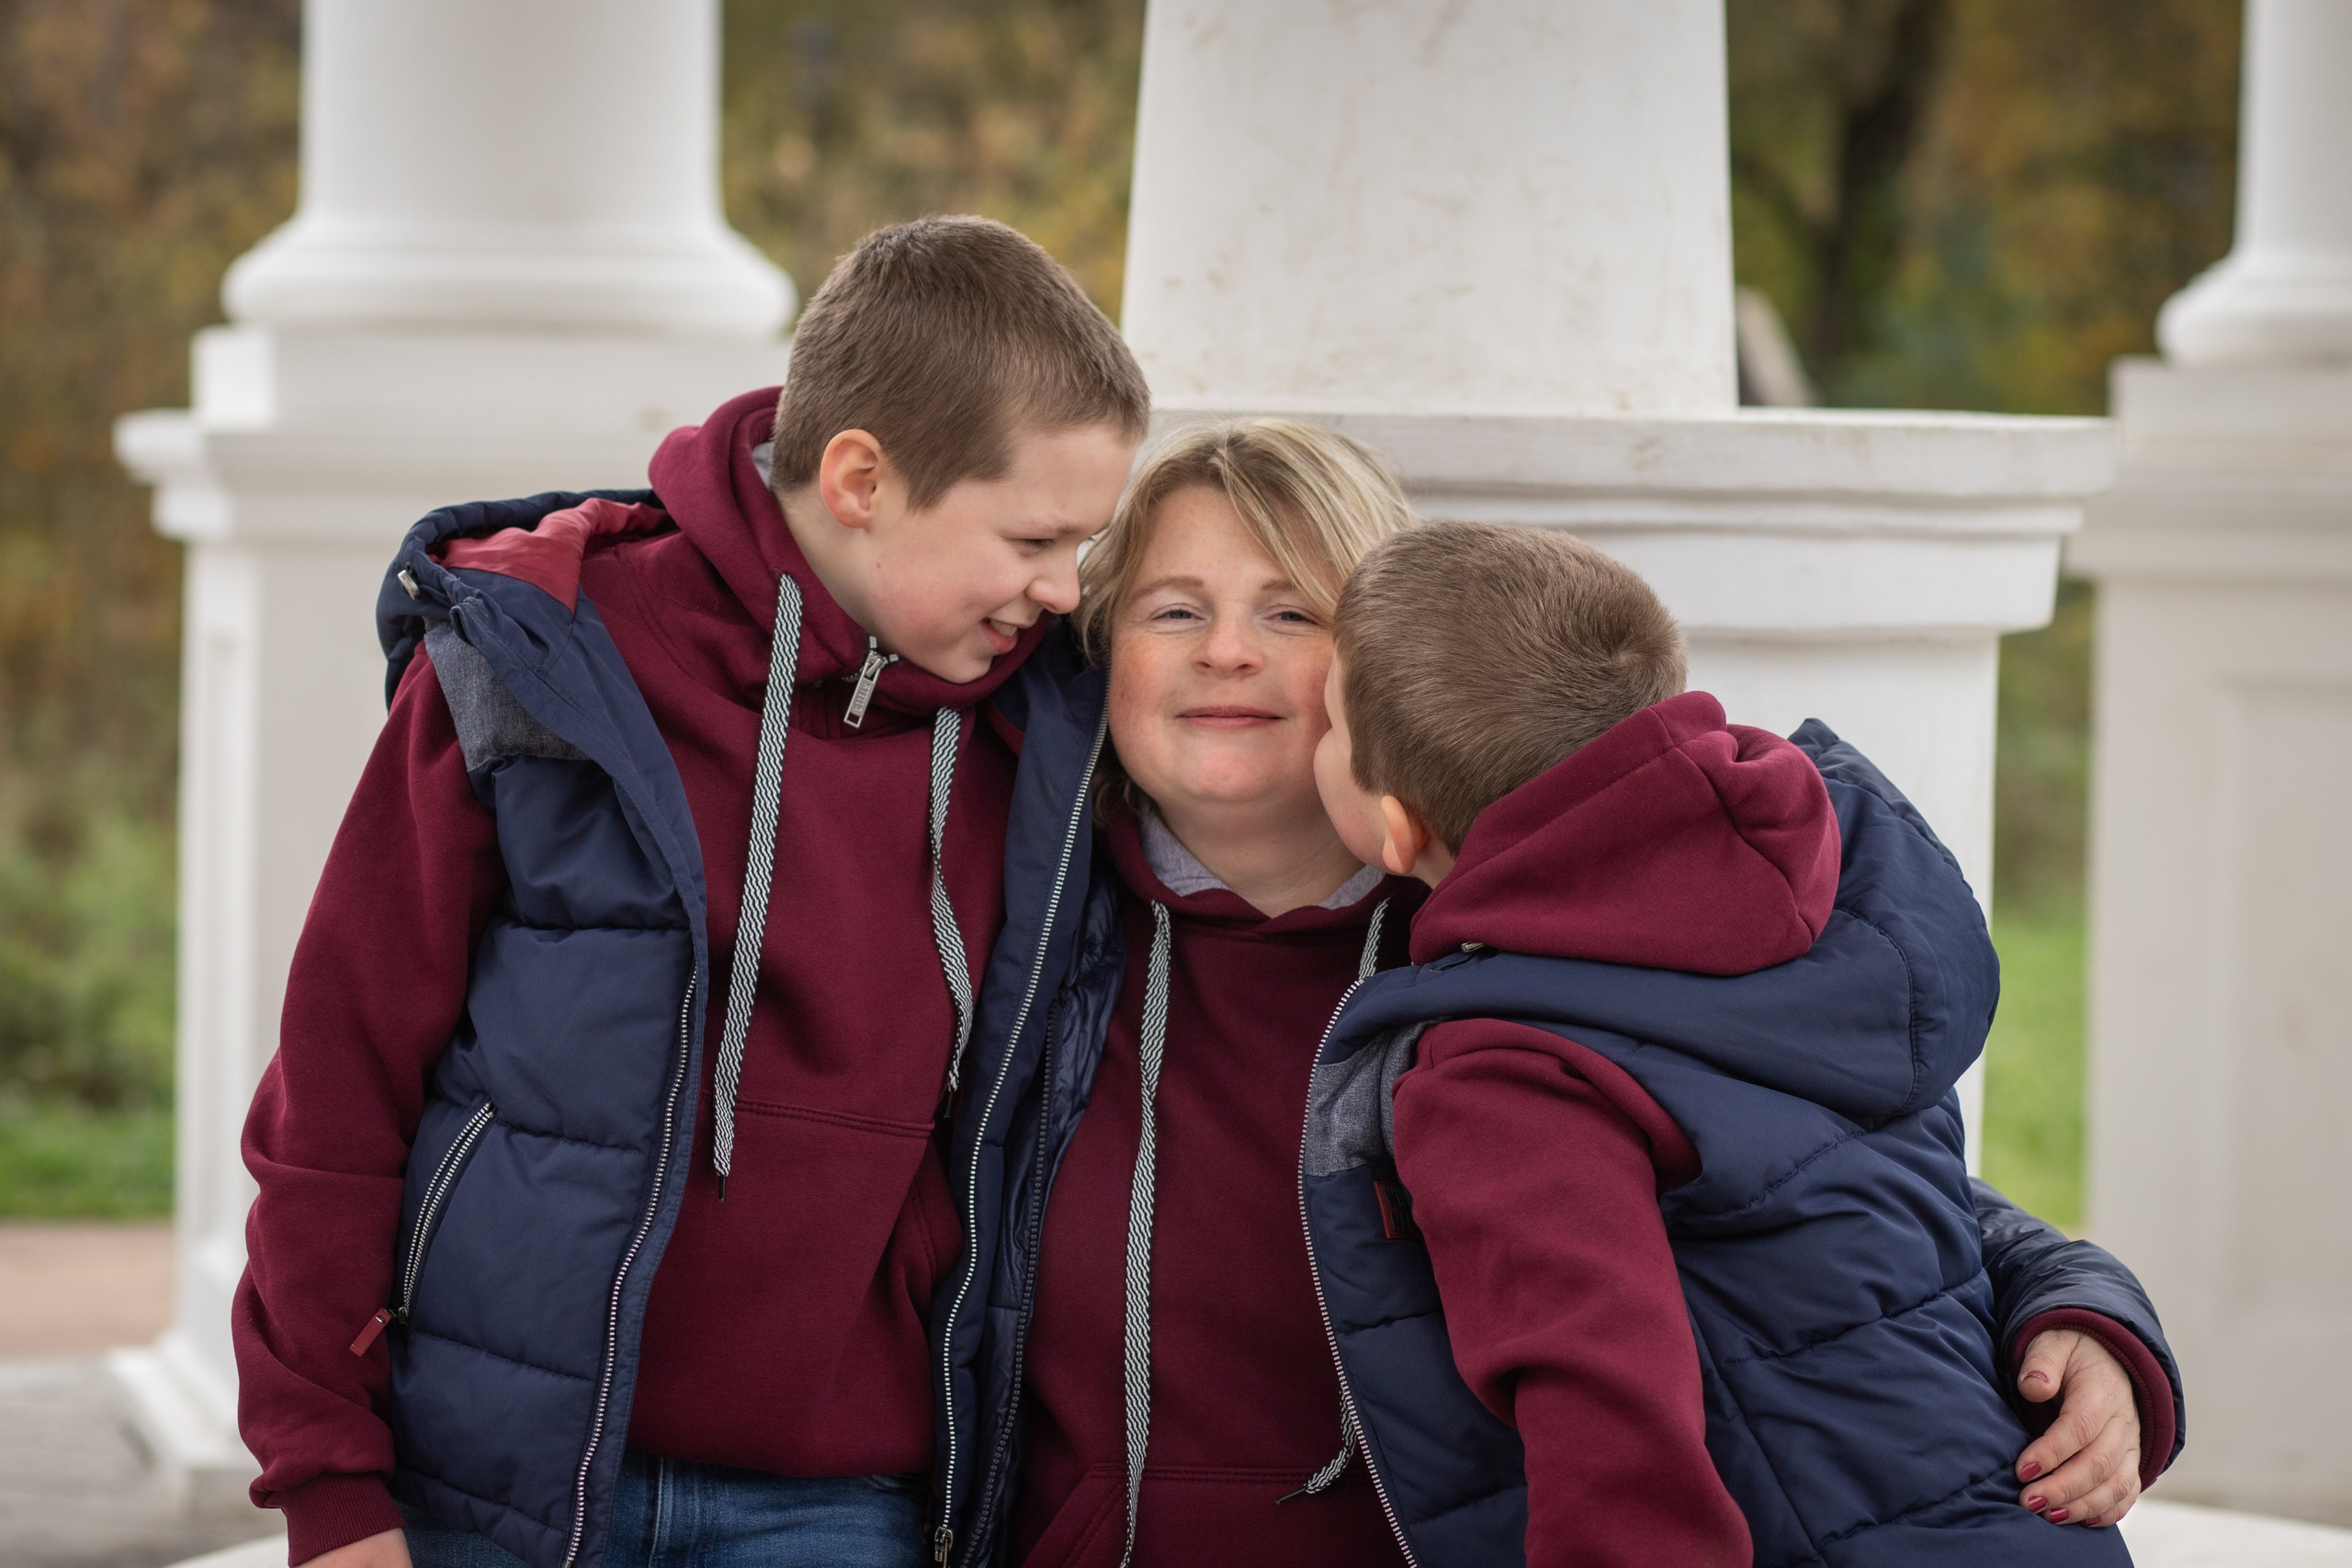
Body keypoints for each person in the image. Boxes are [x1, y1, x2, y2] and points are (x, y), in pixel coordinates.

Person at [928, 424, 2183, 1567]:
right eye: (1174, 607)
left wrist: (2078, 1303)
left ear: (1388, 677)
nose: (1228, 649)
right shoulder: (1028, 926)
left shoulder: (1535, 954)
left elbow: (1827, 1188)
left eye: (1293, 613)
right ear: (1105, 649)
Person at [232, 218, 1148, 1568]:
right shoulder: (542, 660)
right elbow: (339, 1073)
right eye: (1033, 535)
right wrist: (325, 1477)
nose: (1064, 589)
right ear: (857, 477)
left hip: (838, 1498)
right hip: (489, 1473)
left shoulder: (1051, 734)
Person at [1306, 521, 2184, 1566]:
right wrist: (2088, 1305)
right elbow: (1891, 1210)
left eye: (1324, 719)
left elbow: (1615, 1448)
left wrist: (2075, 1302)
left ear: (1400, 828)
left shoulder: (1506, 1077)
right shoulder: (1830, 929)